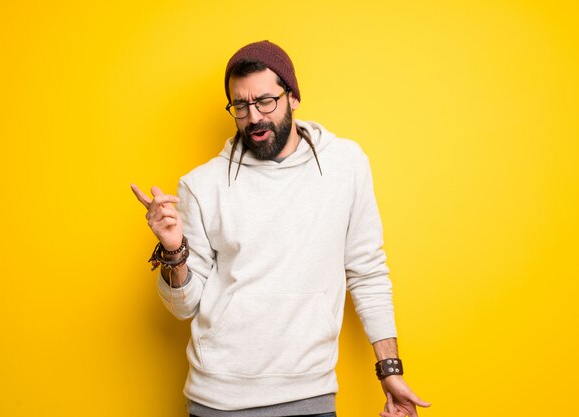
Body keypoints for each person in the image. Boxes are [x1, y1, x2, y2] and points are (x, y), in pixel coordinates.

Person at [131, 40, 430, 417]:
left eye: (265, 101)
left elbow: (367, 272)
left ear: (293, 97)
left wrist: (389, 369)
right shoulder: (201, 185)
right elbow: (183, 307)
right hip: (218, 401)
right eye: (240, 106)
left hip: (310, 396)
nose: (253, 117)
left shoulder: (345, 165)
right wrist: (174, 251)